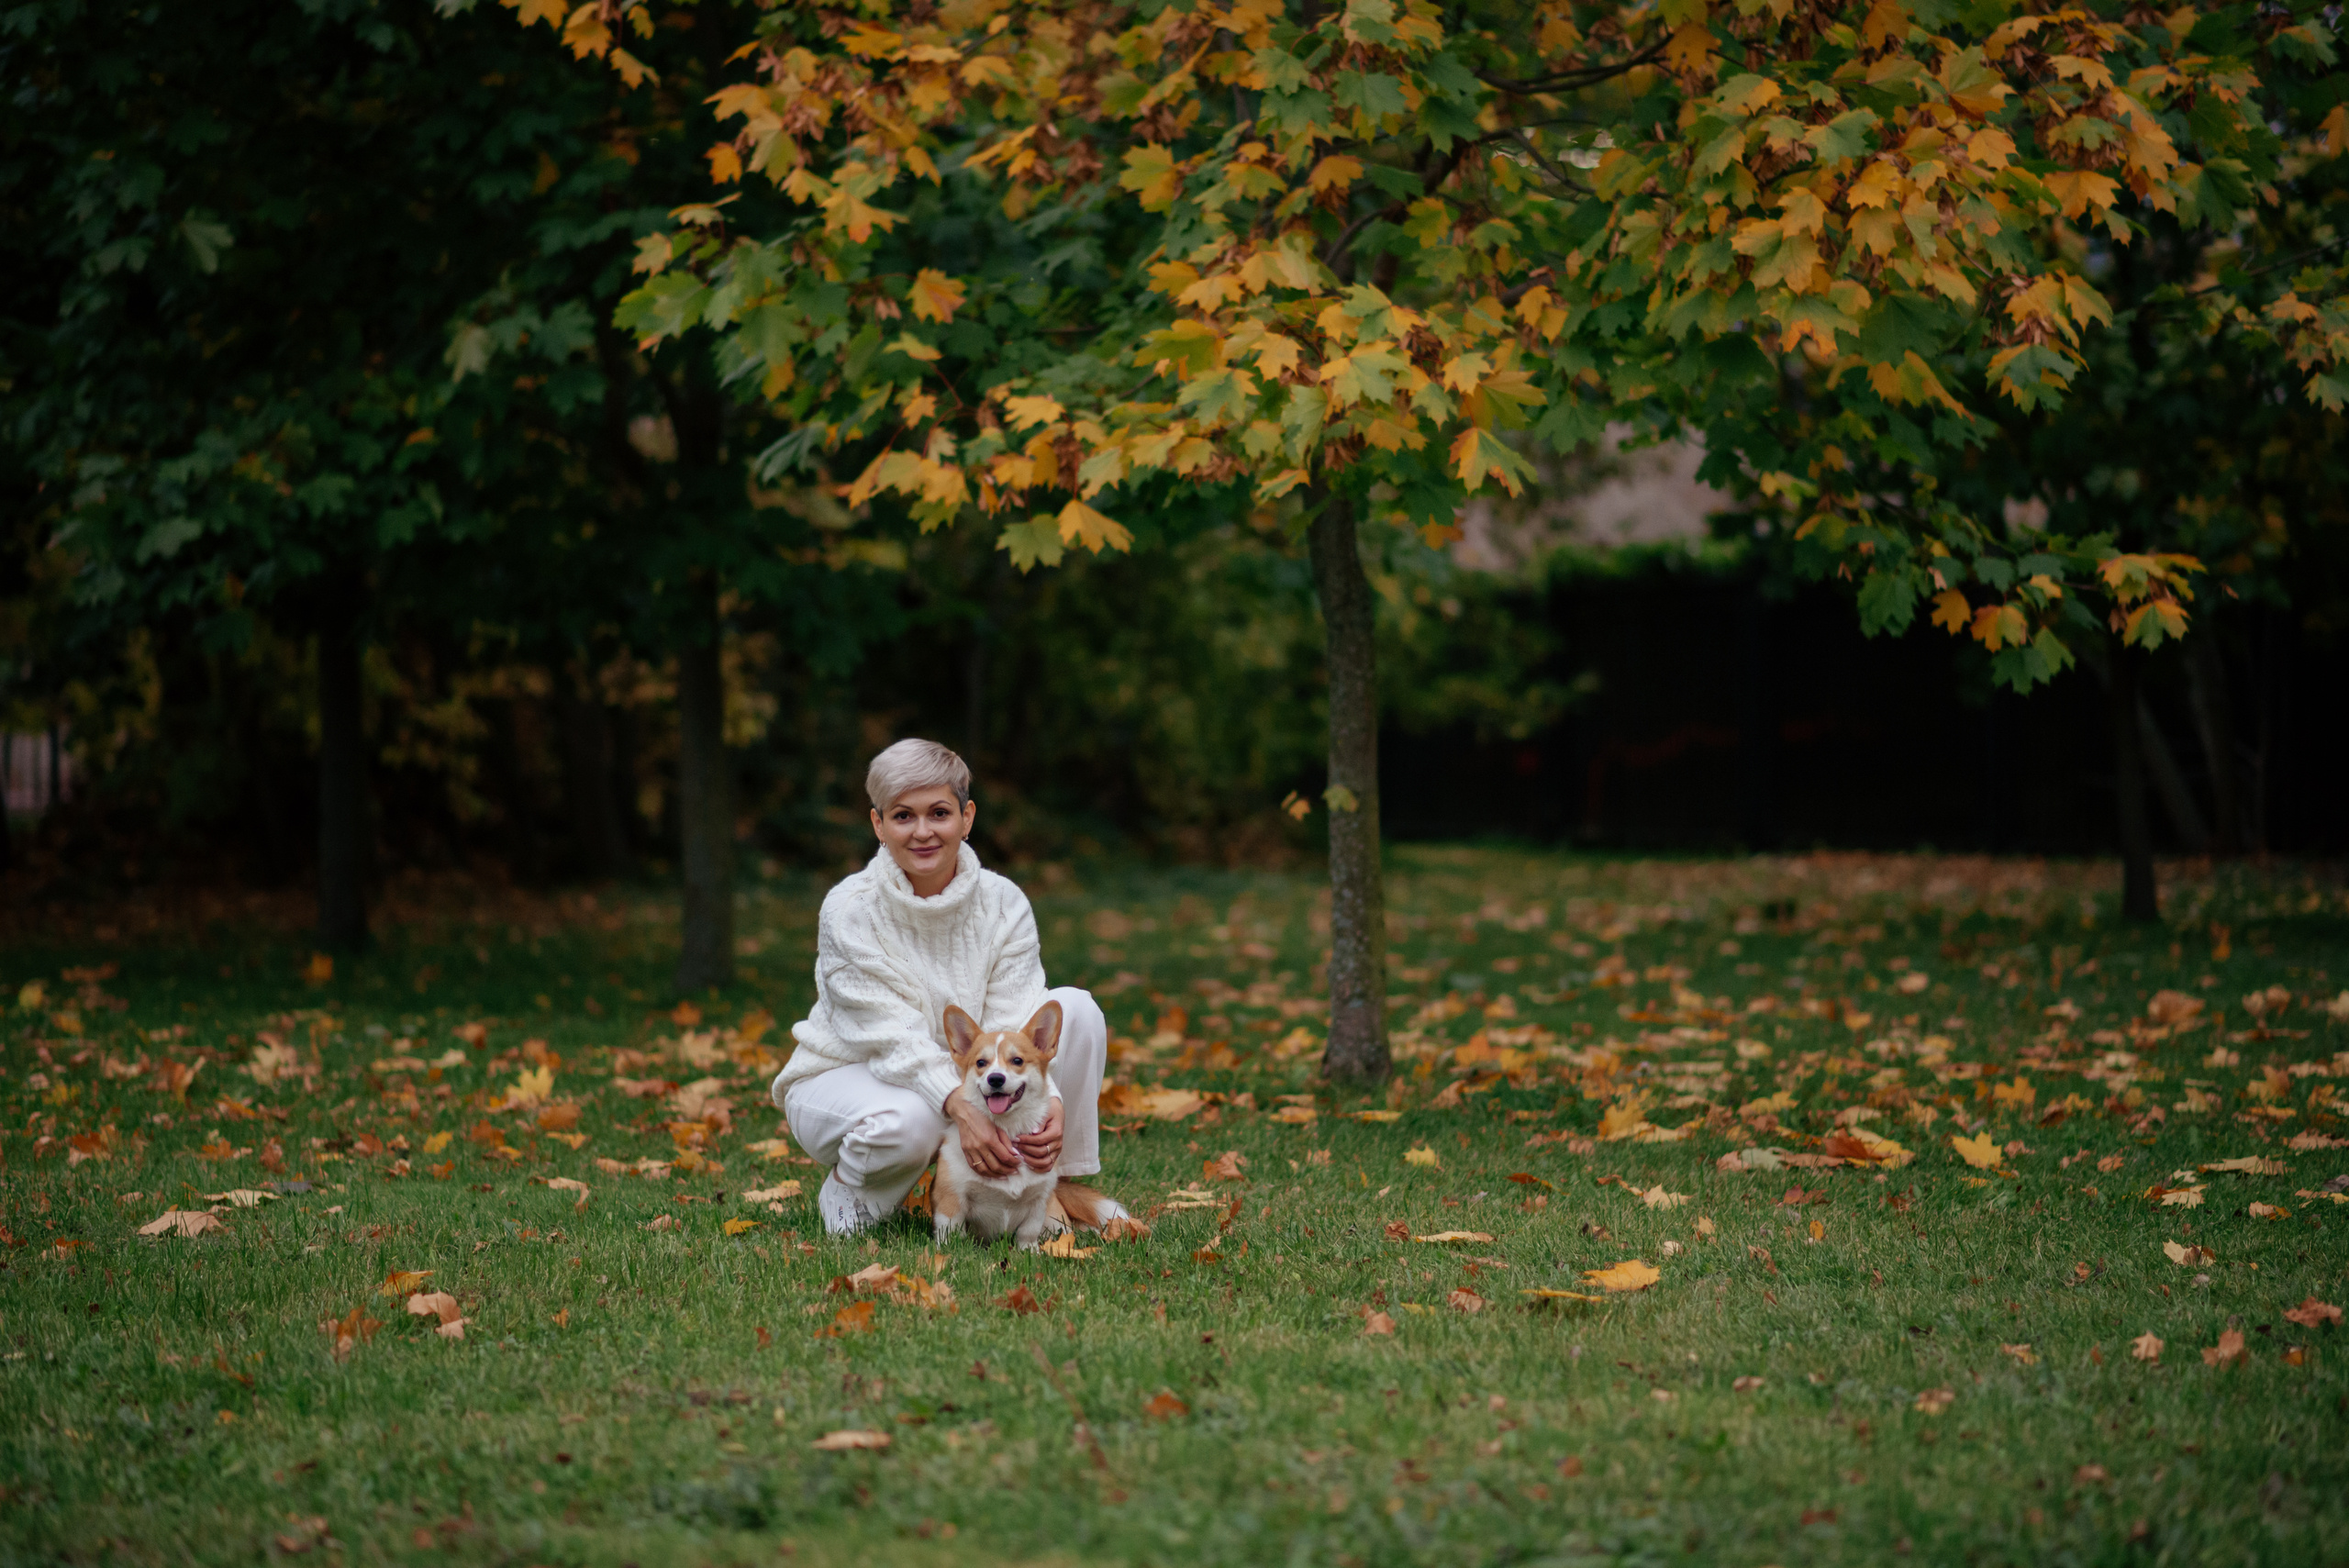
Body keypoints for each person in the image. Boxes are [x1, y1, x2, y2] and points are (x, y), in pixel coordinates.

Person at [770, 739, 1126, 1236]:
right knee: (914, 1116)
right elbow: (893, 1041)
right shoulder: (849, 909)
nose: (922, 832)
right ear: (878, 824)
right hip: (852, 1079)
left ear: (967, 817)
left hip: (977, 1080)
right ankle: (851, 1189)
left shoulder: (1005, 903)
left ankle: (1045, 1182)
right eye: (902, 816)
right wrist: (960, 1106)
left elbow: (1019, 1027)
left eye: (939, 812)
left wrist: (1055, 1102)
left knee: (1077, 1010)